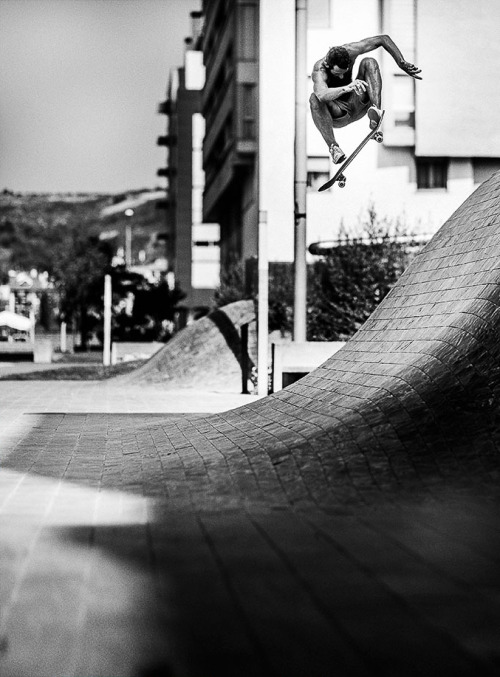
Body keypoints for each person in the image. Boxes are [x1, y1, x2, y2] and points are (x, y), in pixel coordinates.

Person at [310, 35, 422, 164]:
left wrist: (401, 62)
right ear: (327, 65)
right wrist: (346, 88)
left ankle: (375, 113)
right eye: (337, 74)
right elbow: (322, 95)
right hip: (337, 113)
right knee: (314, 98)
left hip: (358, 103)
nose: (341, 77)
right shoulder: (320, 70)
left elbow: (382, 39)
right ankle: (334, 148)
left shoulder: (351, 50)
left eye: (344, 72)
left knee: (369, 61)